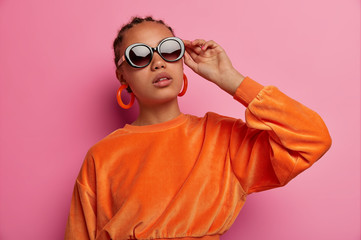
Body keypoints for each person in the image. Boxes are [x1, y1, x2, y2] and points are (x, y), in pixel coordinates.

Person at [65, 16, 332, 240]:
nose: (158, 62)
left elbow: (312, 138)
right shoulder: (101, 156)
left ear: (182, 59)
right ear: (122, 75)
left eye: (169, 49)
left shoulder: (222, 138)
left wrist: (232, 81)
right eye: (140, 55)